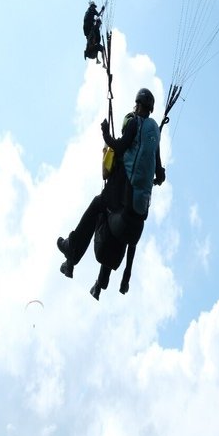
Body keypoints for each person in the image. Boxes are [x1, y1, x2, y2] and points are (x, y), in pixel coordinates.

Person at [56, 87, 166, 298]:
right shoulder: (155, 136)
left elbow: (120, 145)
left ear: (138, 105)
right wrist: (156, 178)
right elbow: (159, 174)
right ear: (151, 109)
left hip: (120, 204)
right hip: (136, 218)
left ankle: (72, 251)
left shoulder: (135, 123)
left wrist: (106, 133)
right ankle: (98, 283)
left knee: (99, 204)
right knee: (111, 218)